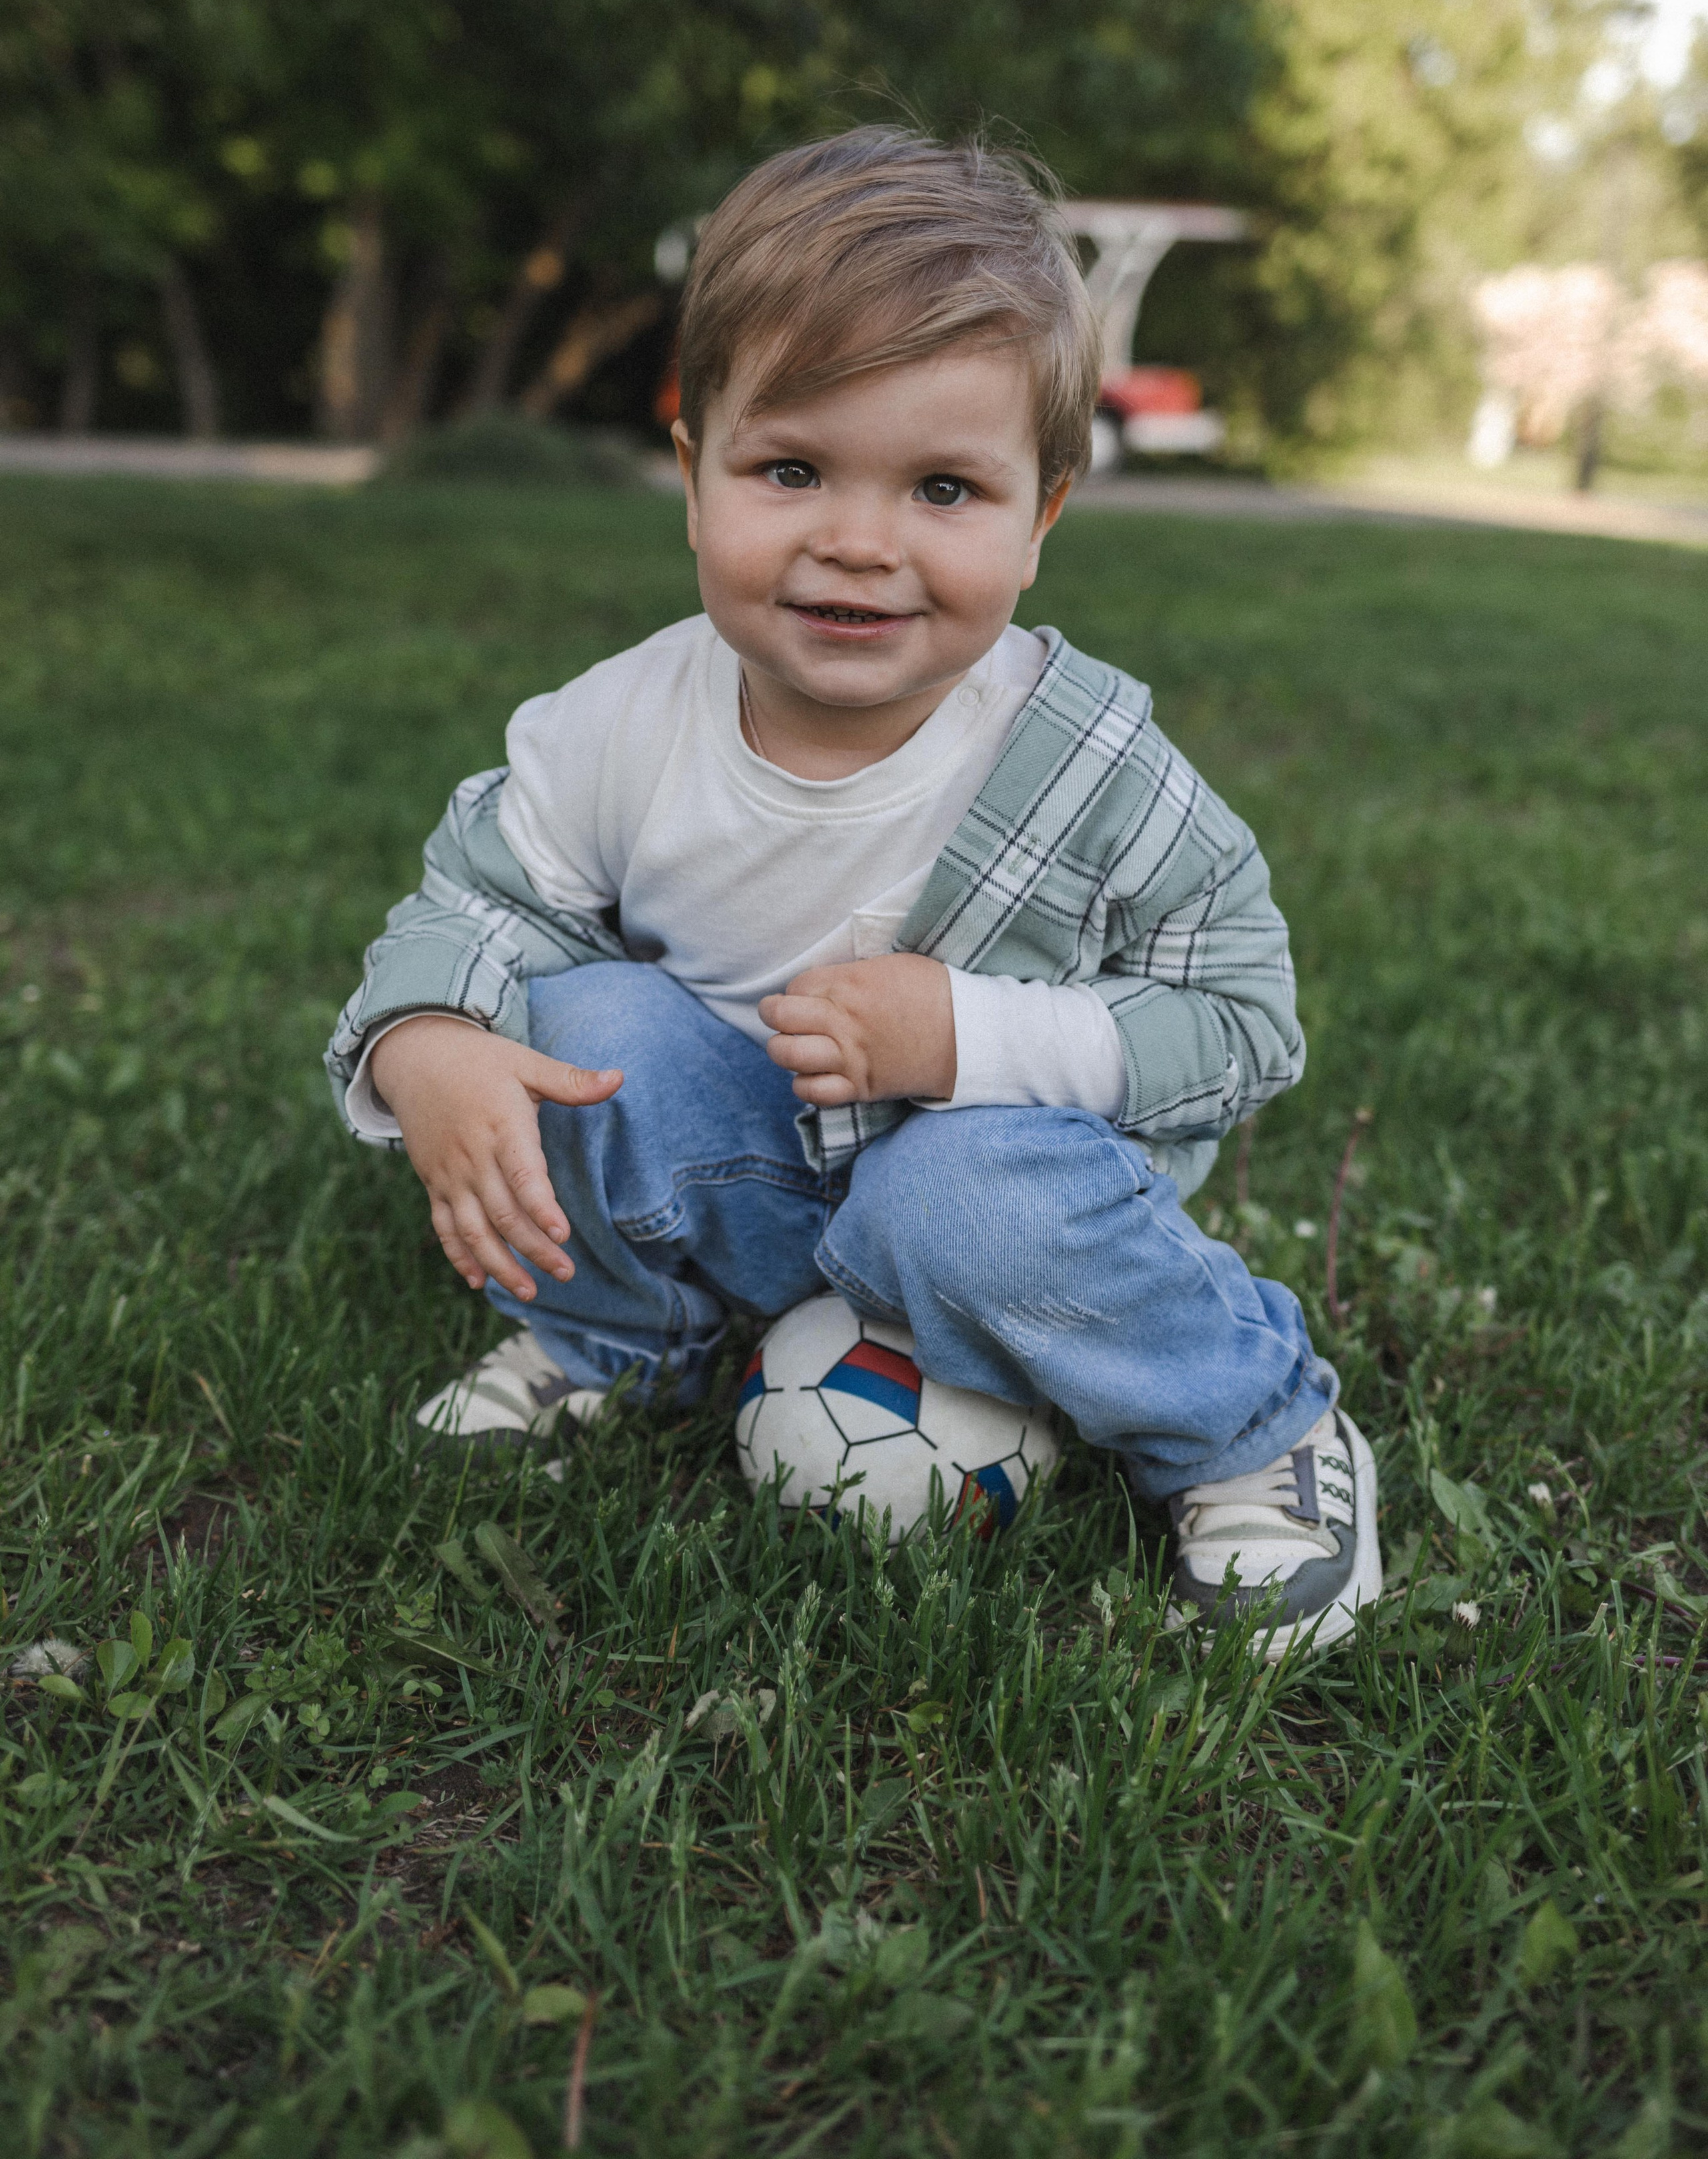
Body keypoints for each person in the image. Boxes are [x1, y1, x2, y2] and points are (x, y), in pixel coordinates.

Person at [326, 125, 1380, 1651]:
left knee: (956, 1197)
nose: (855, 542)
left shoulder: (1084, 768)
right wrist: (426, 1040)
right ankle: (628, 1338)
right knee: (567, 1014)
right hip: (752, 1168)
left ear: (1042, 522)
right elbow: (475, 904)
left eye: (943, 488)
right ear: (695, 482)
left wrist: (969, 1040)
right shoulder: (617, 724)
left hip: (988, 1195)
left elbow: (1240, 1022)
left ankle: (1255, 1430)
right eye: (792, 468)